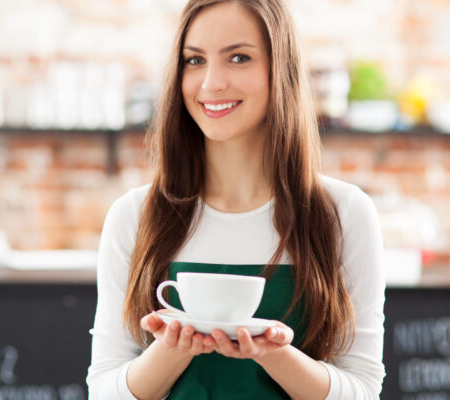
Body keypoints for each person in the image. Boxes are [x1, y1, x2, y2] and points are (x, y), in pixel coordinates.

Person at [86, 0, 385, 398]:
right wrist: (172, 350)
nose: (211, 83)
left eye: (239, 58)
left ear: (281, 71)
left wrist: (275, 355)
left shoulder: (343, 213)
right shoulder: (135, 216)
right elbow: (103, 391)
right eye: (194, 60)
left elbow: (363, 390)